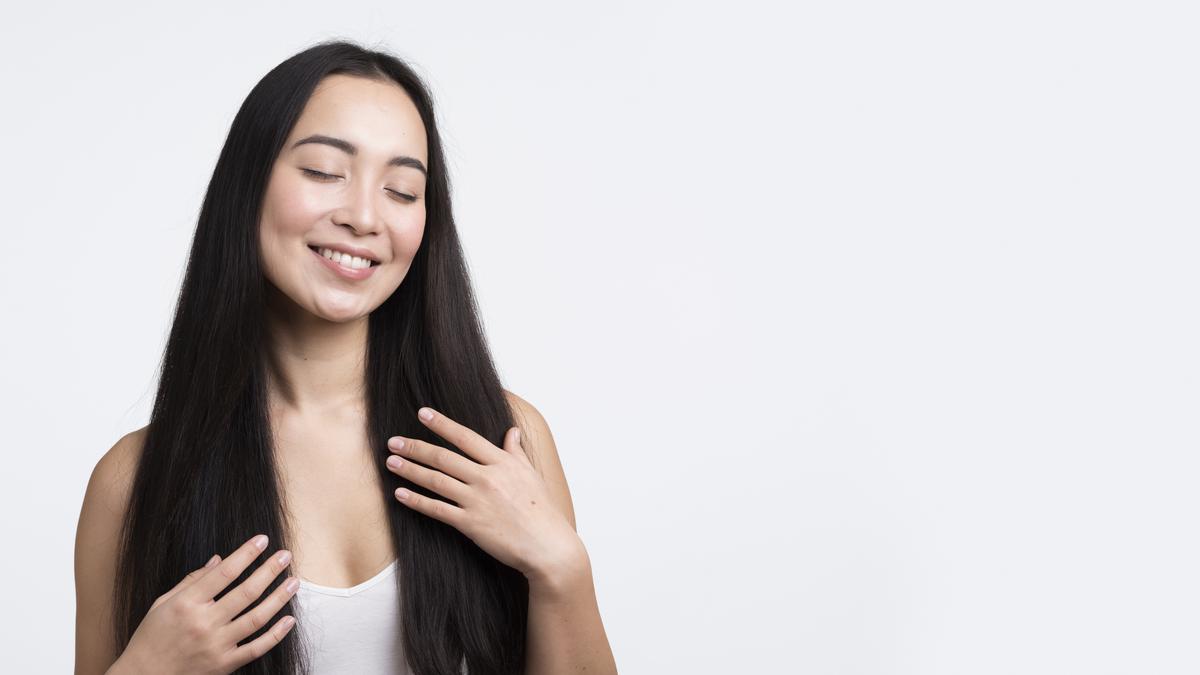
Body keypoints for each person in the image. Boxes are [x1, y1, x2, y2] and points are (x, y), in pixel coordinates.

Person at [74, 39, 617, 675]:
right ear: (247, 185)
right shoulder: (133, 480)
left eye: (402, 190)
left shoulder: (500, 440)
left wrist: (562, 568)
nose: (363, 217)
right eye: (324, 171)